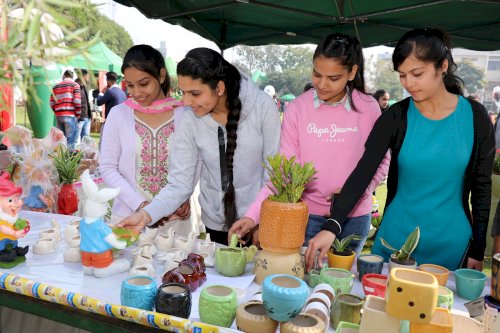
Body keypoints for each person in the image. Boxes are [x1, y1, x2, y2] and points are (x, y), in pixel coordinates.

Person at [305, 28, 495, 272]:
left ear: (443, 66)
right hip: (393, 241)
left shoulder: (475, 117)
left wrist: (478, 249)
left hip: (451, 246)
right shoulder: (395, 117)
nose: (409, 84)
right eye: (402, 75)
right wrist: (332, 227)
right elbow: (362, 174)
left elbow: (482, 188)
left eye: (417, 73)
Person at [229, 33, 390, 254]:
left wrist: (361, 191)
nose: (322, 84)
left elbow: (382, 161)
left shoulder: (369, 108)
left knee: (343, 284)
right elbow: (284, 174)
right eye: (317, 74)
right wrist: (252, 216)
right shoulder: (297, 109)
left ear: (352, 72)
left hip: (355, 218)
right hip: (309, 217)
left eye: (333, 78)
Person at [116, 47, 281, 245]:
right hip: (215, 223)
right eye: (183, 92)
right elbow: (179, 184)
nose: (186, 101)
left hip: (259, 223)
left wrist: (257, 220)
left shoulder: (263, 107)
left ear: (219, 88)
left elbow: (274, 176)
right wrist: (144, 216)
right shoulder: (190, 118)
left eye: (194, 93)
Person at [99, 45, 191, 232]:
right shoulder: (119, 114)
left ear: (162, 75)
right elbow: (108, 168)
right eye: (130, 85)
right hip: (129, 219)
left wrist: (184, 197)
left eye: (144, 83)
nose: (137, 93)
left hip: (175, 221)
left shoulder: (185, 114)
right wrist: (141, 205)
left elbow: (194, 164)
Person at [0, 172, 29, 264]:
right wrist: (14, 233)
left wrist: (23, 224)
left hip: (11, 238)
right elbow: (3, 228)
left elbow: (14, 224)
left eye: (16, 199)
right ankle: (3, 255)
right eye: (10, 200)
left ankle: (16, 250)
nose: (16, 204)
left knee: (13, 244)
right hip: (2, 239)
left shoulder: (10, 216)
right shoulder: (2, 218)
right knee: (2, 246)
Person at [49, 70, 81, 151]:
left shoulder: (56, 86)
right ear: (72, 77)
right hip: (70, 115)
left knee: (60, 140)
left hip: (59, 116)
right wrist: (78, 114)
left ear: (64, 76)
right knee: (70, 140)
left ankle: (60, 160)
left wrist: (57, 112)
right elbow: (77, 101)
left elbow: (51, 102)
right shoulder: (75, 85)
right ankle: (69, 161)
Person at [75, 69, 92, 146]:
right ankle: (73, 157)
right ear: (83, 76)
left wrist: (90, 115)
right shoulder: (75, 86)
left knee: (85, 140)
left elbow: (87, 102)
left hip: (87, 117)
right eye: (87, 76)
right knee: (76, 140)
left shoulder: (84, 86)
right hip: (80, 117)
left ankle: (84, 157)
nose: (88, 77)